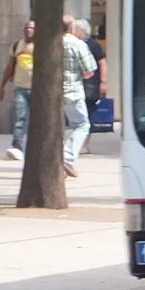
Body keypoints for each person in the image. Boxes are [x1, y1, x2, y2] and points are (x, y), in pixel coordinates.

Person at [61, 15, 97, 177]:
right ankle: (67, 157)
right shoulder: (77, 44)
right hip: (72, 91)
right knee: (82, 124)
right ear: (72, 28)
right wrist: (81, 76)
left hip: (51, 94)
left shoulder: (48, 43)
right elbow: (89, 70)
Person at [0, 19, 35, 160]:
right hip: (20, 87)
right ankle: (17, 147)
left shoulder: (41, 46)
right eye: (26, 28)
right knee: (20, 118)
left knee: (36, 121)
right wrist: (2, 87)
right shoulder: (17, 46)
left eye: (31, 28)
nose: (28, 30)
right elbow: (10, 67)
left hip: (37, 89)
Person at [72, 18, 106, 154]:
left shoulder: (93, 45)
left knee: (88, 115)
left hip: (90, 85)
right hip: (78, 84)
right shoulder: (74, 44)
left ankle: (85, 144)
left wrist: (103, 81)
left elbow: (102, 62)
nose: (72, 32)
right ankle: (80, 143)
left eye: (74, 29)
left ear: (81, 30)